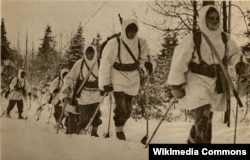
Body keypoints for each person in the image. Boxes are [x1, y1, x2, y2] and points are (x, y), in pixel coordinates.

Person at [167, 5, 248, 144]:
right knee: (203, 114)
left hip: (216, 82)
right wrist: (176, 84)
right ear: (204, 19)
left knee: (205, 117)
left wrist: (239, 63)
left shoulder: (224, 38)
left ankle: (193, 139)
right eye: (211, 18)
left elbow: (234, 54)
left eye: (216, 18)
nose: (214, 21)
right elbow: (179, 60)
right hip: (196, 81)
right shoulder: (194, 38)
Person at [99, 19, 150, 140]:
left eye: (134, 31)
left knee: (128, 109)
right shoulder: (114, 43)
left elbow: (145, 59)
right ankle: (119, 129)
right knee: (121, 105)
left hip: (133, 79)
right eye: (129, 31)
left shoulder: (141, 43)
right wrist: (105, 83)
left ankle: (121, 123)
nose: (131, 34)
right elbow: (105, 63)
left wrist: (149, 65)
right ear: (124, 30)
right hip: (118, 76)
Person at [59, 45, 102, 136]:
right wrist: (67, 87)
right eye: (88, 53)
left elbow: (106, 75)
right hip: (84, 95)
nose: (90, 55)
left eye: (91, 53)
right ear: (85, 54)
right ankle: (78, 132)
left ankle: (94, 132)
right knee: (84, 117)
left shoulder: (100, 63)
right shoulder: (80, 63)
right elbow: (70, 77)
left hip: (97, 94)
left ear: (95, 53)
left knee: (96, 115)